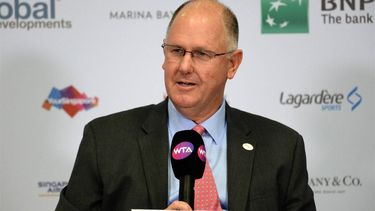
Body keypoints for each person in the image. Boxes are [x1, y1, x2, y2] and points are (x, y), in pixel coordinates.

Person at [56, 0, 316, 210]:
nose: (184, 66)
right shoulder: (105, 140)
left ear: (232, 64)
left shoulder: (282, 147)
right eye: (176, 51)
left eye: (202, 54)